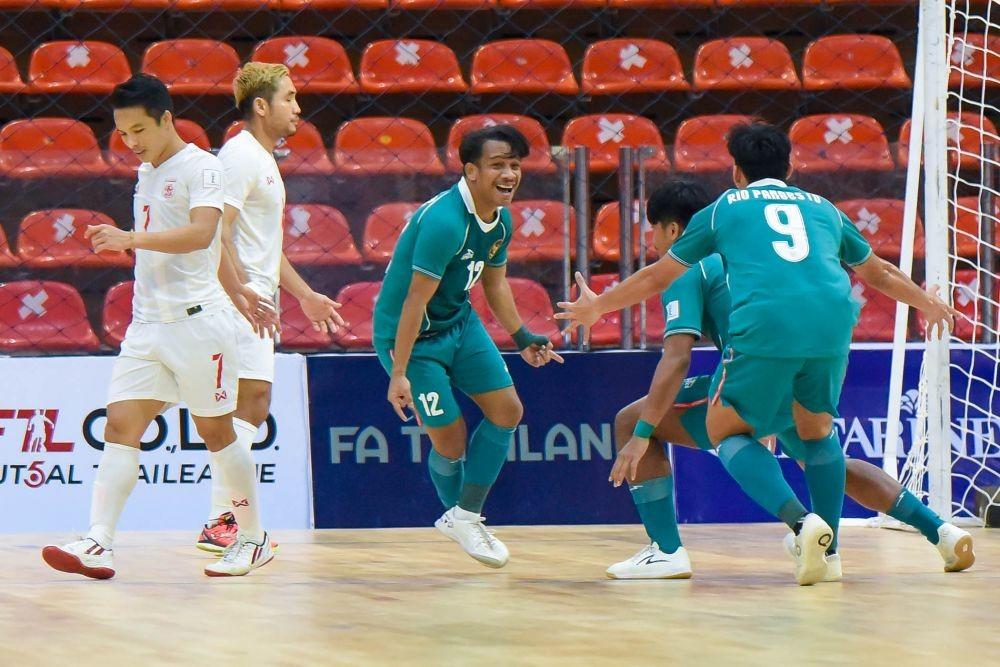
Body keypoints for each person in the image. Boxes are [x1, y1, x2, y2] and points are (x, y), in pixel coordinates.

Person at [558, 123, 959, 585]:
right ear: (789, 167)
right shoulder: (824, 208)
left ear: (735, 172)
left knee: (709, 427)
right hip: (833, 327)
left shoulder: (719, 220)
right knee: (818, 440)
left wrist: (597, 307)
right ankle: (932, 531)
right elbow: (879, 272)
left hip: (763, 345)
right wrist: (926, 302)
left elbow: (667, 322)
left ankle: (755, 533)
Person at [41, 75, 274, 579]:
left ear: (168, 118)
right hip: (147, 327)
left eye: (140, 130)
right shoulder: (146, 171)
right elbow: (213, 250)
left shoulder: (203, 168)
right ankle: (98, 542)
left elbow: (203, 235)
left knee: (217, 433)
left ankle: (253, 538)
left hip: (197, 327)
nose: (132, 143)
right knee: (120, 427)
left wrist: (128, 238)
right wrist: (241, 292)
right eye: (123, 134)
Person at [372, 125, 563, 569]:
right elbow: (414, 301)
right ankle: (464, 518)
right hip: (413, 339)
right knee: (451, 441)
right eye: (498, 165)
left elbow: (494, 286)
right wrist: (398, 373)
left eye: (515, 165)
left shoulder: (502, 218)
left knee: (508, 410)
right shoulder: (444, 222)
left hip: (458, 322)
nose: (510, 174)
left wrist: (522, 337)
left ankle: (465, 516)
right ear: (471, 170)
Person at [196, 62, 344, 554]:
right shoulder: (241, 156)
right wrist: (240, 292)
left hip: (253, 294)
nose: (298, 107)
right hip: (239, 299)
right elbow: (218, 228)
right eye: (290, 97)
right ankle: (224, 520)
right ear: (261, 106)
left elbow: (264, 243)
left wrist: (303, 295)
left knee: (247, 407)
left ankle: (224, 519)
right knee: (247, 405)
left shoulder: (260, 158)